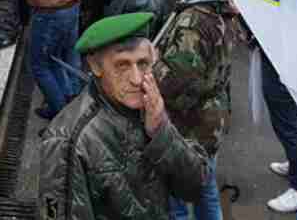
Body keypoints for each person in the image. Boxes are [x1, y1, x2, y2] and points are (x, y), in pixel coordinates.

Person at [38, 12, 208, 220]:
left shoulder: (152, 103)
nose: (136, 79)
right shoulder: (69, 140)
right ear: (95, 66)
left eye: (143, 63)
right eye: (122, 65)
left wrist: (161, 131)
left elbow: (193, 187)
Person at [157, 0, 237, 220]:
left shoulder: (192, 21)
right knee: (205, 187)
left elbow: (174, 82)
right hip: (211, 119)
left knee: (177, 197)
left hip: (189, 124)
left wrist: (151, 62)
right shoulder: (220, 9)